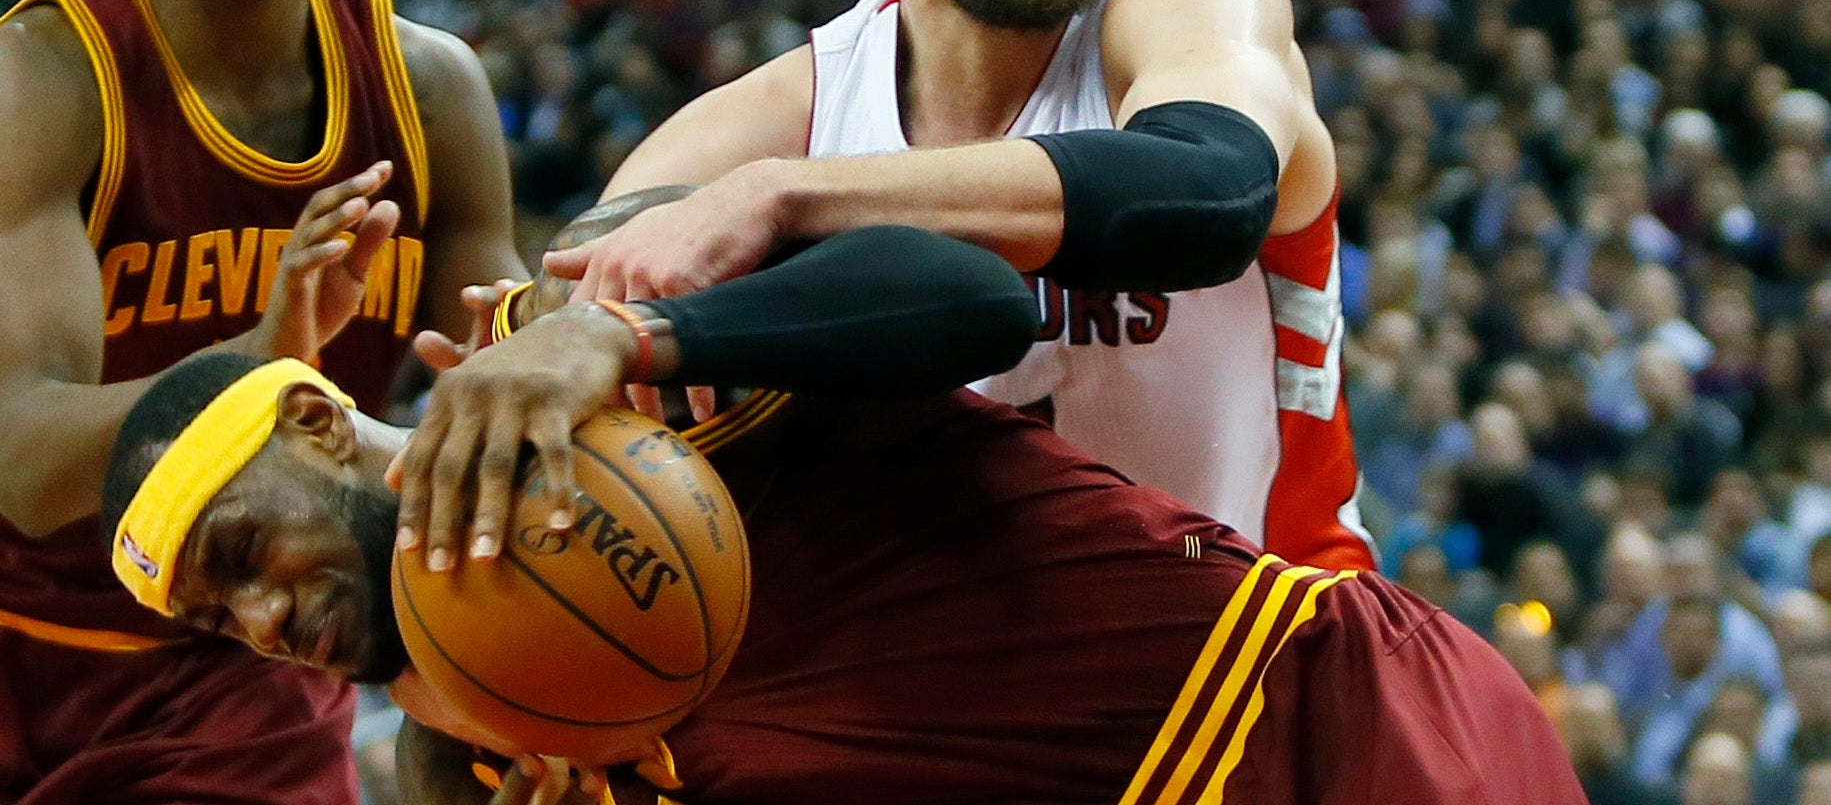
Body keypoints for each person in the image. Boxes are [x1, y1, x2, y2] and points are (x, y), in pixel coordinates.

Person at [103, 196, 1585, 805]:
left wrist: (631, 332)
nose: (258, 617)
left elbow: (968, 301)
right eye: (216, 619)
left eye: (241, 553)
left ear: (315, 418)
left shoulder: (565, 354)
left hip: (1312, 733)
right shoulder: (487, 764)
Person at [396, 0, 1373, 583]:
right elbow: (574, 377)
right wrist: (528, 369)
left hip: (1263, 645)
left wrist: (787, 195)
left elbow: (1206, 190)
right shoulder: (768, 118)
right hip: (957, 700)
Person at [0, 0, 521, 803]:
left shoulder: (425, 85)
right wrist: (260, 349)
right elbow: (24, 463)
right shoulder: (49, 77)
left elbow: (500, 367)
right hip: (22, 624)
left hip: (244, 649)